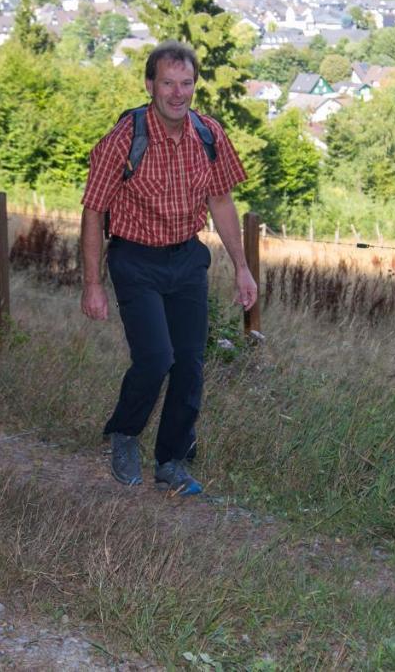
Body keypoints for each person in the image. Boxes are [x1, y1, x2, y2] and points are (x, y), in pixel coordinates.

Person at [80, 40, 257, 496]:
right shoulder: (124, 139)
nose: (178, 93)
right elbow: (94, 211)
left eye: (186, 83)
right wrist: (91, 284)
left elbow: (221, 200)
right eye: (168, 83)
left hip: (186, 259)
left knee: (190, 366)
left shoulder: (209, 134)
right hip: (135, 259)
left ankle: (171, 461)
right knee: (156, 357)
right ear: (149, 85)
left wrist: (242, 268)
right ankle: (124, 434)